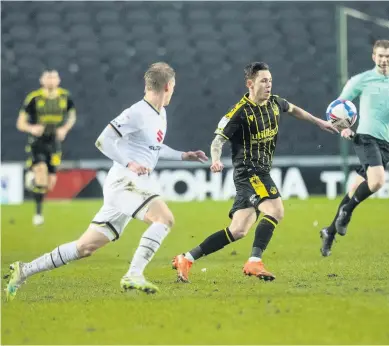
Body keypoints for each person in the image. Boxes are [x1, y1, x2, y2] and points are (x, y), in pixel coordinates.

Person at [5, 62, 208, 301]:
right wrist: (129, 162)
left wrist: (183, 155)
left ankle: (24, 270)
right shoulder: (137, 112)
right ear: (167, 86)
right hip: (125, 182)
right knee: (164, 219)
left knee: (85, 247)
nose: (173, 91)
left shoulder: (159, 113)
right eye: (173, 87)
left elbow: (153, 147)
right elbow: (103, 140)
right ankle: (134, 274)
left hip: (129, 184)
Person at [172, 61, 337, 282]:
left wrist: (318, 122)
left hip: (258, 172)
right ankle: (254, 261)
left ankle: (186, 258)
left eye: (270, 80)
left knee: (237, 230)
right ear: (250, 83)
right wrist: (216, 160)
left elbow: (294, 109)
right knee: (275, 210)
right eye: (263, 81)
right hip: (250, 172)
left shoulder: (275, 103)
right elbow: (217, 141)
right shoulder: (239, 112)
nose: (268, 85)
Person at [320, 40, 389, 257]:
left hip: (386, 145)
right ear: (374, 57)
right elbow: (338, 106)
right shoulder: (362, 80)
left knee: (355, 189)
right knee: (378, 181)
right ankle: (347, 211)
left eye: (388, 56)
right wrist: (344, 128)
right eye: (380, 55)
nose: (384, 60)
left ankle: (329, 232)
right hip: (365, 138)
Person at [16, 70, 76, 226]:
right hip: (37, 142)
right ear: (41, 80)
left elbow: (72, 116)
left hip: (54, 143)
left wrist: (65, 129)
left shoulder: (65, 96)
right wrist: (31, 128)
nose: (51, 80)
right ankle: (38, 214)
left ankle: (31, 181)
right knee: (41, 171)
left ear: (59, 79)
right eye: (48, 77)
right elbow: (20, 123)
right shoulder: (34, 98)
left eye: (53, 76)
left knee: (49, 184)